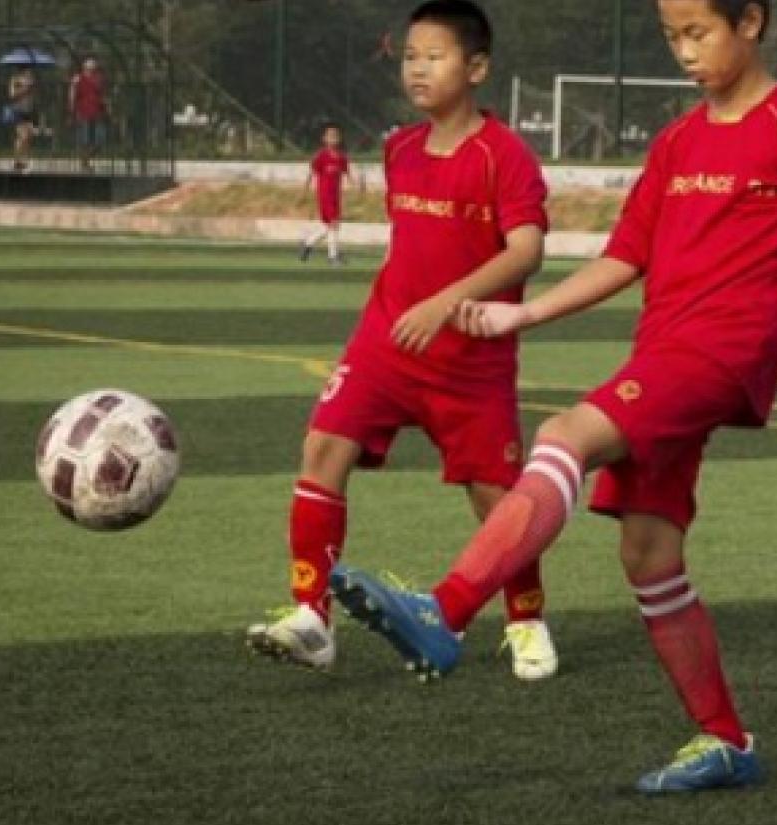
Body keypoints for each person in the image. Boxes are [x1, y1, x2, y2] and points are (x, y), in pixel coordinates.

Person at [326, 0, 777, 794]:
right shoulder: (678, 141)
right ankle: (726, 738)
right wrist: (527, 309)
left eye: (699, 33)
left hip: (722, 352)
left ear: (751, 21)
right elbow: (625, 257)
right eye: (671, 36)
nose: (685, 52)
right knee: (648, 553)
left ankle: (444, 611)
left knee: (564, 431)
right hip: (664, 350)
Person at [244, 0, 561, 684]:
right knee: (323, 445)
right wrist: (412, 307)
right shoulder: (400, 149)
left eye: (435, 55)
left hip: (470, 365)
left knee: (496, 498)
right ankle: (312, 618)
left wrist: (447, 303)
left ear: (477, 67)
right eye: (410, 55)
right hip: (387, 342)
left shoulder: (505, 157)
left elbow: (527, 249)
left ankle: (526, 617)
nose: (418, 68)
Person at [300, 123, 364, 265]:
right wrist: (304, 191)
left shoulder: (341, 157)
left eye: (336, 136)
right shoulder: (321, 156)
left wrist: (355, 186)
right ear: (324, 139)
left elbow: (347, 173)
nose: (334, 139)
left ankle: (308, 244)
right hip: (324, 195)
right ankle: (332, 256)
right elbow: (311, 174)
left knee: (330, 226)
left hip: (336, 196)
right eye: (330, 136)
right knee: (334, 224)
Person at [69, 57, 109, 171]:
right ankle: (85, 163)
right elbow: (72, 94)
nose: (91, 69)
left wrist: (107, 108)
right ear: (84, 67)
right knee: (84, 139)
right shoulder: (77, 79)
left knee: (100, 138)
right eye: (89, 67)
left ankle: (87, 158)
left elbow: (103, 95)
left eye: (93, 67)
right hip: (83, 111)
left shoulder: (99, 79)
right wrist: (72, 110)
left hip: (97, 111)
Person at [4, 67, 38, 172]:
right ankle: (17, 160)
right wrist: (24, 89)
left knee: (29, 137)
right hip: (18, 110)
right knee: (22, 136)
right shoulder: (15, 80)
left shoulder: (32, 81)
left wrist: (32, 89)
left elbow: (34, 97)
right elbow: (12, 95)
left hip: (29, 111)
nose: (29, 73)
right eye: (27, 71)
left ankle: (25, 161)